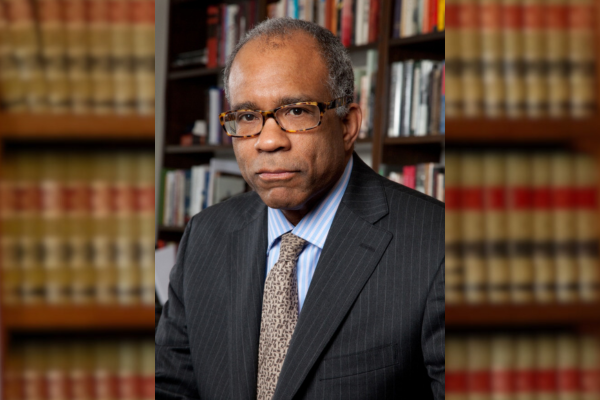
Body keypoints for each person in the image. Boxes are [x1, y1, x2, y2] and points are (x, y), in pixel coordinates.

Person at [155, 18, 445, 400]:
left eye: (295, 111)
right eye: (247, 117)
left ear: (347, 126)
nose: (268, 141)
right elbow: (170, 387)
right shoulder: (205, 235)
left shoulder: (436, 244)